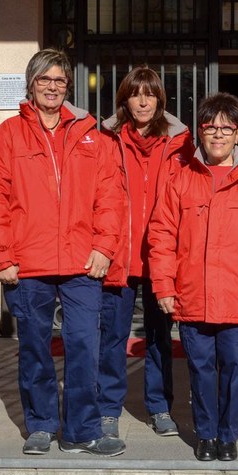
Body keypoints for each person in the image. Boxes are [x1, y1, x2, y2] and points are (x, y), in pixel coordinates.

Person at [0, 48, 127, 457]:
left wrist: (104, 248)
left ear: (68, 86)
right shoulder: (9, 135)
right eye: (45, 80)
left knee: (83, 345)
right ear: (32, 84)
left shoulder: (93, 135)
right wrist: (2, 257)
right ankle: (41, 424)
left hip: (82, 262)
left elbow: (112, 197)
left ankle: (82, 429)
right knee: (34, 347)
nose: (53, 87)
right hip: (28, 263)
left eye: (59, 80)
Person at [148, 92, 238, 461]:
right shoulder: (181, 180)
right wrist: (164, 286)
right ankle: (206, 435)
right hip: (193, 296)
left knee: (233, 370)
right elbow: (161, 236)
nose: (218, 135)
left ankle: (228, 436)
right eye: (210, 127)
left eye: (226, 128)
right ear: (200, 132)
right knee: (200, 371)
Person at [98, 67, 194, 440]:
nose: (142, 101)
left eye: (149, 94)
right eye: (135, 94)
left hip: (161, 255)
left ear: (160, 101)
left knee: (159, 337)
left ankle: (159, 407)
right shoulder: (107, 138)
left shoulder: (180, 142)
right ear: (124, 99)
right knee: (112, 337)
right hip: (118, 253)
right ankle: (108, 408)